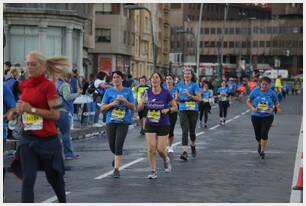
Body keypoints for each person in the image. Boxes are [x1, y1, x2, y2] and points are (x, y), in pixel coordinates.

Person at [13, 51, 66, 202]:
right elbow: (25, 108)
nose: (29, 67)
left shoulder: (49, 87)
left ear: (42, 67)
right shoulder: (25, 86)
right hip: (28, 139)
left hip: (48, 141)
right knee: (28, 178)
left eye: (33, 64)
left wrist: (32, 110)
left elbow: (55, 115)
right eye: (27, 63)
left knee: (54, 179)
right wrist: (16, 112)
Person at [138, 72, 177, 179]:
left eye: (157, 78)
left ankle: (165, 159)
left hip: (163, 123)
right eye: (152, 78)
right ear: (150, 81)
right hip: (150, 122)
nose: (154, 80)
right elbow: (139, 108)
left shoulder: (166, 93)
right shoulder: (146, 92)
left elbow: (175, 107)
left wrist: (168, 109)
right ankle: (153, 171)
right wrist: (142, 103)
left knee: (160, 149)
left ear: (160, 80)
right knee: (151, 148)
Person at [101, 71, 135, 178]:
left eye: (118, 77)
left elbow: (133, 107)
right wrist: (112, 104)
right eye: (114, 77)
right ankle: (116, 157)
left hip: (123, 122)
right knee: (112, 145)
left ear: (122, 79)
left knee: (118, 144)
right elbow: (102, 107)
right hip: (111, 121)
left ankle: (116, 169)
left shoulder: (128, 91)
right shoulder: (108, 91)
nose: (115, 79)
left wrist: (125, 101)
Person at [246, 76, 280, 159]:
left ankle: (262, 151)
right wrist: (252, 108)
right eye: (263, 84)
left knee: (264, 133)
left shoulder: (272, 93)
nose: (264, 86)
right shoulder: (255, 91)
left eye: (266, 84)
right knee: (258, 136)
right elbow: (248, 101)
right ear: (260, 84)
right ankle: (260, 143)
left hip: (268, 116)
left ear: (269, 85)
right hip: (256, 116)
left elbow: (277, 103)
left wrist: (272, 109)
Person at [176, 68, 201, 161]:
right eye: (185, 74)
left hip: (193, 109)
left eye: (188, 74)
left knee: (192, 132)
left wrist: (190, 95)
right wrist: (176, 99)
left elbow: (199, 99)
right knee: (184, 131)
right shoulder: (179, 85)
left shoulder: (195, 85)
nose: (186, 75)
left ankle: (193, 144)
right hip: (183, 109)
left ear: (192, 75)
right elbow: (176, 98)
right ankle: (184, 152)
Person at [55, 72, 82, 160]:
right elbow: (67, 97)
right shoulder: (64, 85)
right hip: (63, 110)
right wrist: (77, 94)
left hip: (53, 111)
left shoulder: (55, 84)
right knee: (65, 133)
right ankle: (68, 154)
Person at [164, 74, 178, 153]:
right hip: (164, 111)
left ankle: (170, 146)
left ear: (173, 81)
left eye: (170, 79)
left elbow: (176, 99)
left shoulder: (176, 89)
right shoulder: (163, 89)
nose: (168, 81)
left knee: (171, 129)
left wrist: (172, 102)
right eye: (167, 79)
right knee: (164, 128)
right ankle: (165, 145)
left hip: (173, 111)